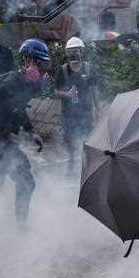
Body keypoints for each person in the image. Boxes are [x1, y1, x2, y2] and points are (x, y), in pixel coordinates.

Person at [0, 39, 49, 226]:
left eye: (44, 64)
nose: (43, 68)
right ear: (28, 60)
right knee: (23, 183)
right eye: (40, 63)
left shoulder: (24, 83)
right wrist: (8, 134)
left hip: (5, 142)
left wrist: (31, 131)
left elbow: (18, 110)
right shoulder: (10, 83)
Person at [54, 37, 96, 175]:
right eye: (70, 51)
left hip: (86, 112)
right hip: (69, 114)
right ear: (66, 53)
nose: (73, 54)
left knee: (87, 140)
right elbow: (56, 91)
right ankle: (71, 166)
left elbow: (94, 89)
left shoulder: (88, 68)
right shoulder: (63, 70)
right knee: (70, 141)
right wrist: (67, 94)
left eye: (76, 50)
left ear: (81, 51)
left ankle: (87, 167)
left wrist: (98, 108)